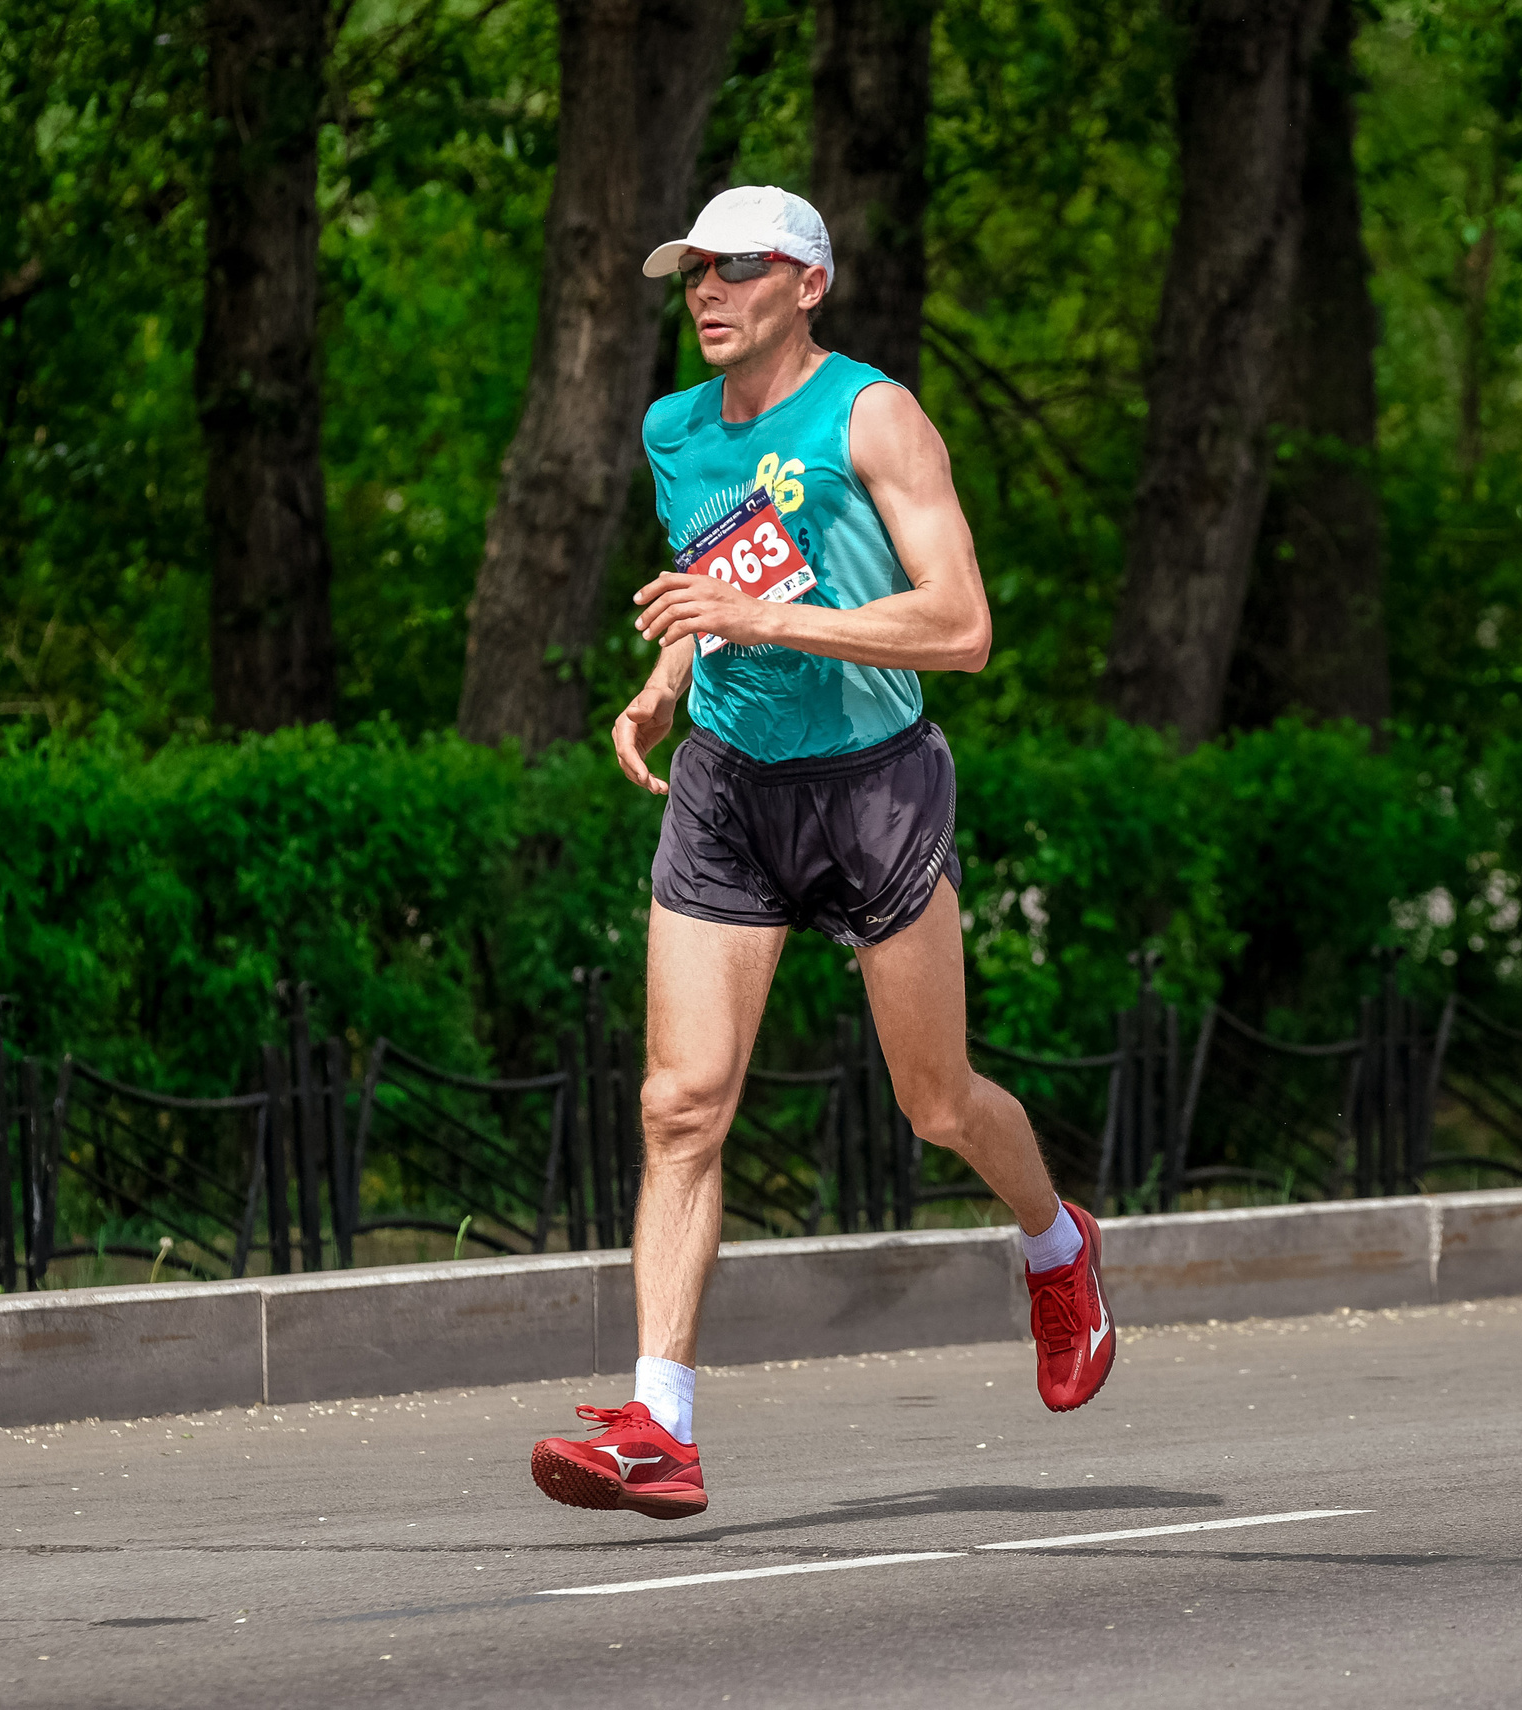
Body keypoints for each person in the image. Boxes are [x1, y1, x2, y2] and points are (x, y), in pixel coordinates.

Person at [528, 186, 1116, 1522]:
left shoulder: (875, 415)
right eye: (691, 273)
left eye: (736, 269)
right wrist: (671, 673)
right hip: (728, 789)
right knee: (680, 1101)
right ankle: (658, 1424)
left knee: (936, 1101)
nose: (706, 293)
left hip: (872, 790)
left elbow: (961, 625)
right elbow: (724, 572)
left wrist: (761, 621)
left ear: (807, 283)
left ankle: (1057, 1244)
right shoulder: (672, 428)